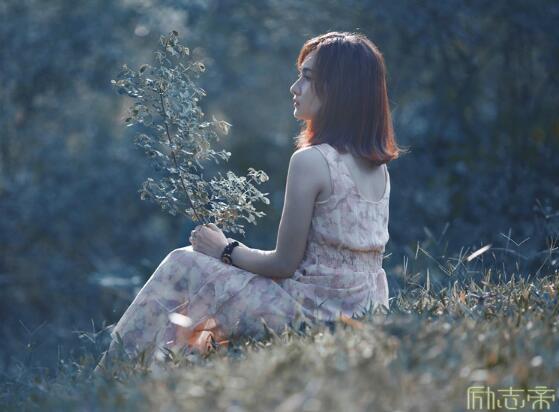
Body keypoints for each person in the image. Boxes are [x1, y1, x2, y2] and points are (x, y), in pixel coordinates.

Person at [95, 31, 403, 372]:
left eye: (307, 77)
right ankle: (168, 368)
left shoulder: (312, 161)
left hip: (312, 317)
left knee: (183, 262)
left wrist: (224, 249)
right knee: (204, 274)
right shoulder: (377, 167)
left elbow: (284, 264)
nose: (295, 87)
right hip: (362, 314)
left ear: (339, 89)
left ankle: (112, 375)